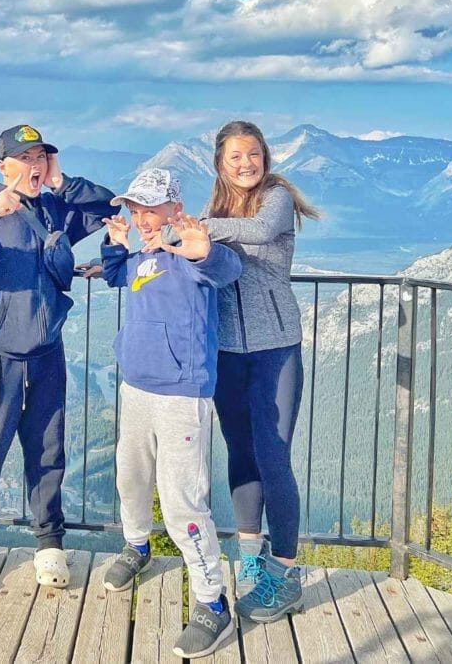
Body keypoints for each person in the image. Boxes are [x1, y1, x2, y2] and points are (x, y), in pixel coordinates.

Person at [0, 124, 116, 593]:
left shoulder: (54, 207)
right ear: (2, 165)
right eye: (25, 158)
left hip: (46, 350)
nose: (34, 165)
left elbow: (110, 208)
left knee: (48, 449)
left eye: (40, 157)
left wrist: (62, 182)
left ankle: (49, 542)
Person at [99, 168, 242, 659]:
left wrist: (201, 249)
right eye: (135, 209)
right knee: (131, 476)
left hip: (182, 393)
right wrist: (115, 244)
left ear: (174, 210)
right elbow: (118, 275)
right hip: (136, 386)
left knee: (182, 500)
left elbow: (225, 269)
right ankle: (137, 545)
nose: (142, 218)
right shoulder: (144, 253)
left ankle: (212, 600)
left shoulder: (188, 252)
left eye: (151, 209)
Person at [200, 120, 320, 623]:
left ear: (264, 157)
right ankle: (250, 558)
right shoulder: (215, 209)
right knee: (241, 453)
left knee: (273, 457)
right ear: (220, 163)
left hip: (276, 349)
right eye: (235, 156)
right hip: (228, 350)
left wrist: (201, 229)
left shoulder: (276, 198)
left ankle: (286, 573)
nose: (246, 163)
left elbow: (261, 232)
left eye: (252, 154)